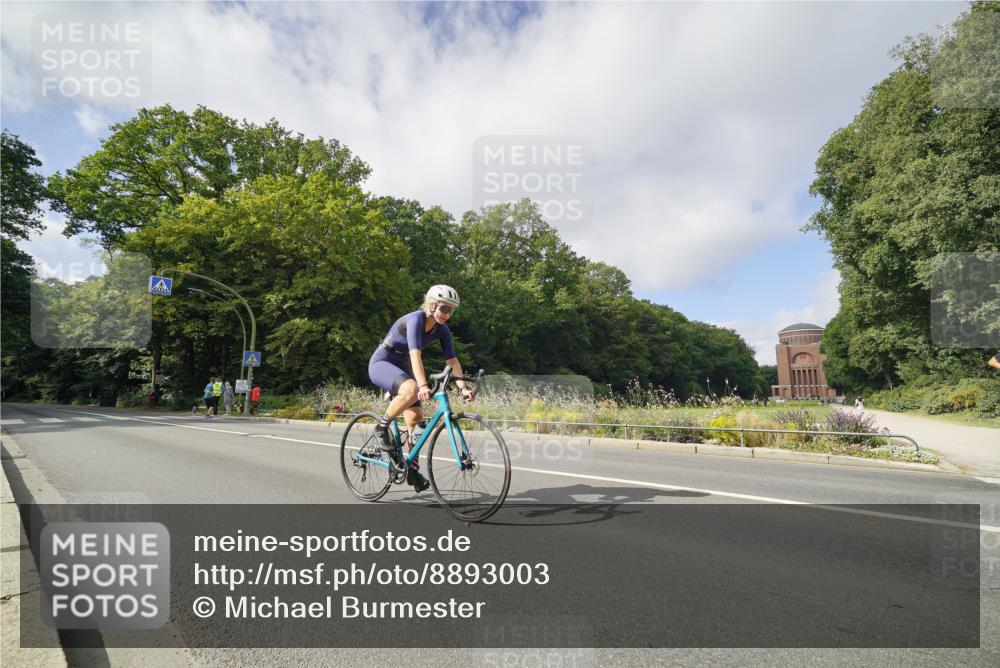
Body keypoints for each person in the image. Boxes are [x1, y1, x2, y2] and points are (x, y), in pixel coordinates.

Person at [368, 285, 474, 493]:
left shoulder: (442, 329)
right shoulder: (415, 319)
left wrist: (463, 388)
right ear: (432, 305)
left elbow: (452, 361)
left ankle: (412, 470)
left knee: (416, 422)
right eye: (444, 308)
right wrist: (423, 386)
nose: (447, 314)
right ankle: (381, 428)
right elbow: (415, 355)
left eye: (451, 311)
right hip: (383, 362)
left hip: (404, 367)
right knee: (412, 389)